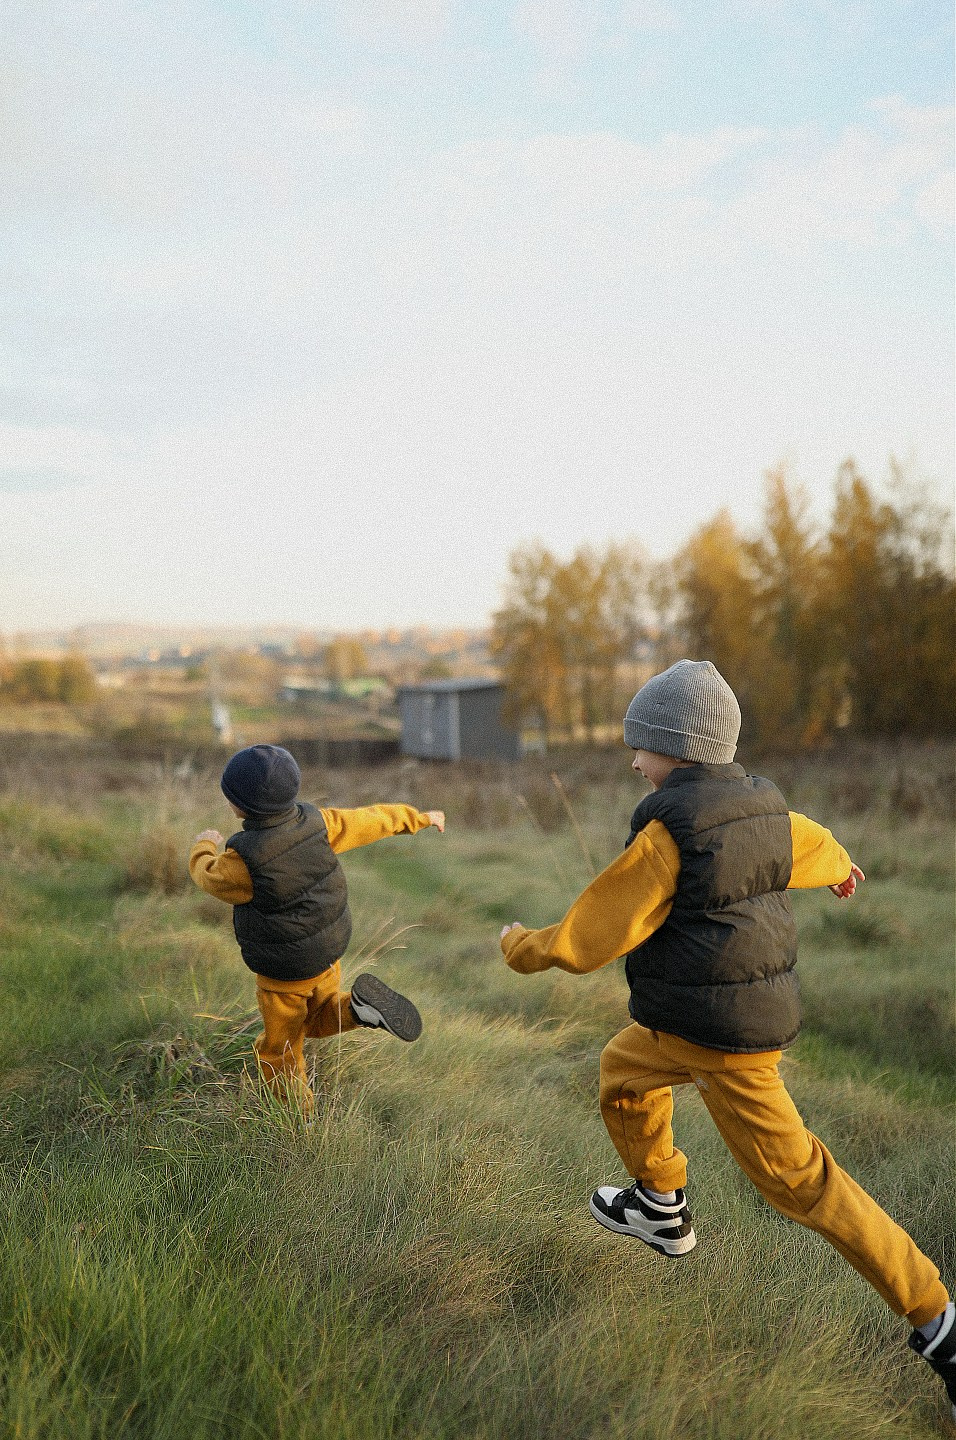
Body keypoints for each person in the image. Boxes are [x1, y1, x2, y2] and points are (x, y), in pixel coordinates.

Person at [499, 659, 954, 1418]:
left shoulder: (666, 835)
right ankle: (662, 1205)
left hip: (726, 1042)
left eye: (639, 746)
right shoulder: (762, 810)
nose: (632, 760)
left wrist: (522, 945)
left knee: (800, 1183)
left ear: (675, 750)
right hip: (683, 1027)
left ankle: (937, 1319)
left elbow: (590, 934)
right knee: (621, 1072)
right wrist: (842, 869)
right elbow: (812, 842)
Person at [190, 744, 444, 1111]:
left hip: (283, 974)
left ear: (238, 805)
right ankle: (361, 1011)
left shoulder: (241, 861)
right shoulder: (319, 824)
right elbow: (371, 819)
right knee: (321, 1015)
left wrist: (203, 845)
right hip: (328, 952)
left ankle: (299, 1120)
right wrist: (417, 818)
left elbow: (207, 876)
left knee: (281, 1049)